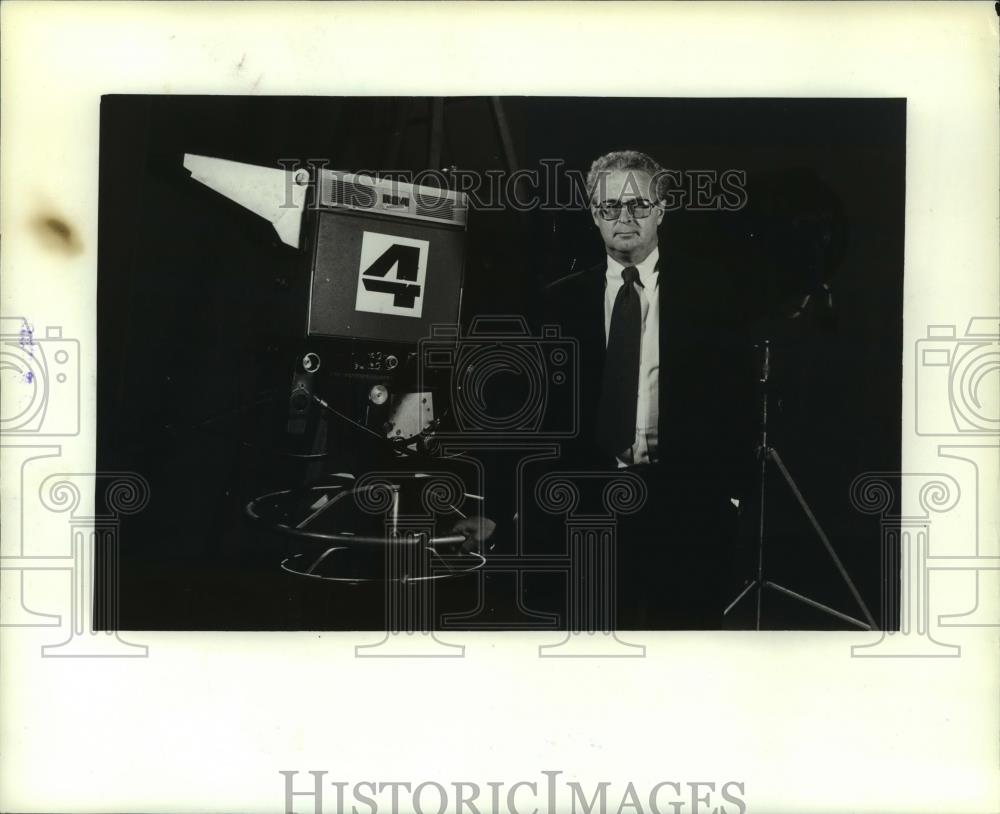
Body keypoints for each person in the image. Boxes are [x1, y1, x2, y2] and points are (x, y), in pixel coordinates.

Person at [535, 150, 757, 629]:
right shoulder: (559, 301)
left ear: (661, 209)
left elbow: (738, 400)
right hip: (590, 503)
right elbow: (543, 414)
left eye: (638, 204)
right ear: (594, 215)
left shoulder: (712, 292)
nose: (625, 218)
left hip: (687, 504)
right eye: (610, 207)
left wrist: (731, 497)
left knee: (686, 650)